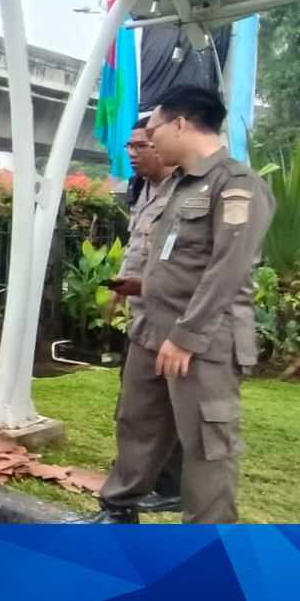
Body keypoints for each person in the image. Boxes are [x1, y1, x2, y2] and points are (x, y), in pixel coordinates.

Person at [88, 86, 274, 524]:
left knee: (207, 444)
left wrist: (186, 337)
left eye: (153, 129)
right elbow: (178, 256)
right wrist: (142, 285)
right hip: (153, 331)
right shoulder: (179, 186)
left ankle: (208, 546)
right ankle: (118, 510)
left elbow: (227, 269)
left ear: (181, 123)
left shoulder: (236, 185)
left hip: (203, 341)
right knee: (138, 424)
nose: (149, 140)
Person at [105, 117, 184, 515]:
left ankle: (161, 483)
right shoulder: (143, 190)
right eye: (129, 147)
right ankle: (150, 479)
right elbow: (139, 247)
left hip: (173, 317)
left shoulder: (184, 192)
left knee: (160, 406)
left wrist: (143, 286)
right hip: (142, 313)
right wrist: (124, 291)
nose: (132, 153)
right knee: (142, 404)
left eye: (140, 145)